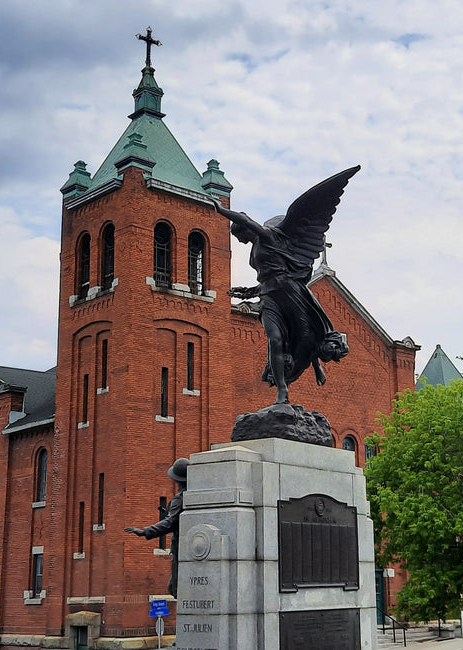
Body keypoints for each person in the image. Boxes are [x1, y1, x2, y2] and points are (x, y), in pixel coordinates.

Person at [216, 166, 358, 404]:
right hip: (269, 297)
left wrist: (221, 210)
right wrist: (249, 292)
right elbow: (268, 278)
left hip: (291, 293)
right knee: (275, 339)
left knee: (303, 335)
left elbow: (246, 220)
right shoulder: (257, 250)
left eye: (238, 235)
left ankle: (310, 366)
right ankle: (282, 390)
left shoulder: (269, 236)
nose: (239, 239)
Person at [125, 458, 188, 596]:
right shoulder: (194, 495)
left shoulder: (180, 498)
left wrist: (145, 531)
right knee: (175, 586)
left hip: (180, 548)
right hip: (189, 547)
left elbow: (170, 522)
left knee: (176, 588)